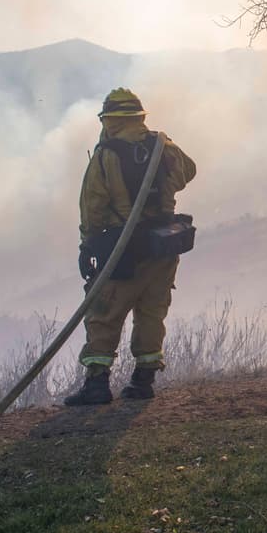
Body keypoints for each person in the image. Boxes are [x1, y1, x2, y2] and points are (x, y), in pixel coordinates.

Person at [64, 87, 196, 405]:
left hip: (124, 249)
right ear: (139, 117)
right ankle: (144, 380)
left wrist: (87, 246)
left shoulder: (106, 154)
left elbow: (92, 206)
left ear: (110, 120)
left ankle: (97, 384)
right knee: (152, 312)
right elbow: (188, 172)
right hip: (163, 245)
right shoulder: (164, 146)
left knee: (104, 313)